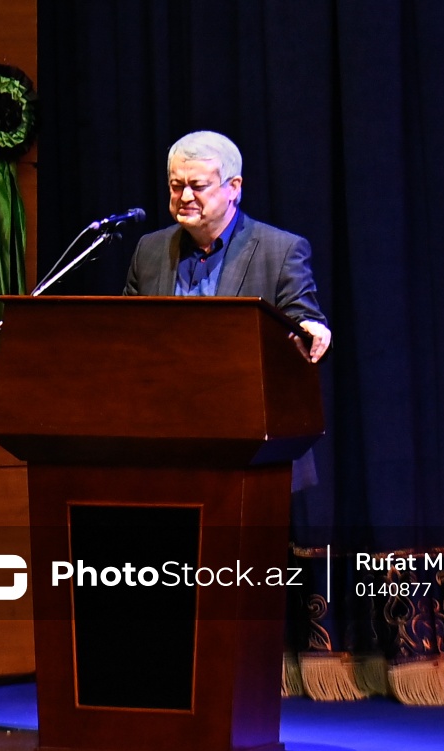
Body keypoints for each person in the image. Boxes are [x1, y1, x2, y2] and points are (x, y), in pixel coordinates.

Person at [124, 130, 330, 488]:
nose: (185, 197)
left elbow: (302, 319)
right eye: (176, 186)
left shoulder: (280, 250)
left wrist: (310, 329)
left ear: (233, 187)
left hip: (251, 450)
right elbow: (125, 333)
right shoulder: (150, 250)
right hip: (163, 445)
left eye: (198, 186)